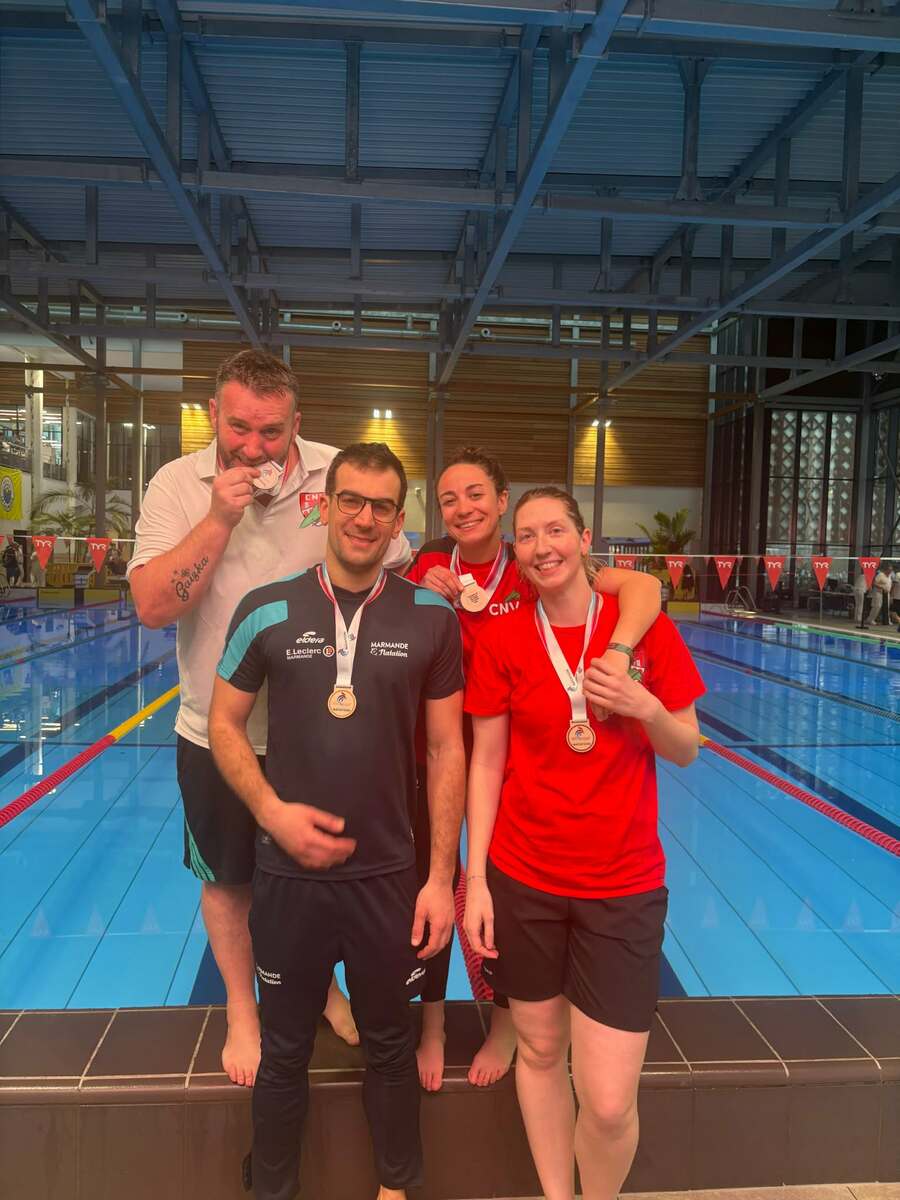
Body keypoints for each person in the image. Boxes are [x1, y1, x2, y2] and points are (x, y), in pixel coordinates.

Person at [127, 350, 411, 1088]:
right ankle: (240, 1009)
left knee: (317, 876)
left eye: (272, 432)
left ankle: (323, 990)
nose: (254, 447)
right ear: (213, 415)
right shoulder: (176, 485)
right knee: (229, 880)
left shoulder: (331, 475)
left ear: (297, 423)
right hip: (215, 731)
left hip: (319, 736)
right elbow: (153, 606)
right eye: (239, 428)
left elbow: (391, 555)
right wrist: (219, 518)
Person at [208, 442, 465, 1200]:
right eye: (351, 499)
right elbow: (223, 724)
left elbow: (447, 749)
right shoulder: (267, 608)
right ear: (325, 505)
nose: (364, 518)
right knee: (285, 1050)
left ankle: (397, 1189)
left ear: (398, 519)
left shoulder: (431, 617)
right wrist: (271, 811)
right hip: (289, 876)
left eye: (382, 506)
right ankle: (272, 1191)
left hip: (388, 877)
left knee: (389, 1045)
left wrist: (439, 879)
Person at [464, 486, 704, 1200]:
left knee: (607, 1102)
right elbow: (486, 762)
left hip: (622, 888)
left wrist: (644, 706)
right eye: (528, 536)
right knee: (540, 1050)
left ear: (583, 537)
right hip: (523, 879)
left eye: (556, 530)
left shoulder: (644, 633)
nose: (543, 547)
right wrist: (476, 879)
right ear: (517, 552)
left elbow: (686, 747)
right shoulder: (504, 639)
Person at [406, 448, 663, 1092]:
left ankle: (504, 1023)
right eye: (448, 499)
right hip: (438, 751)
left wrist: (619, 652)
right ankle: (432, 1023)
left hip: (506, 756)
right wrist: (418, 591)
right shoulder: (427, 564)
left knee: (501, 894)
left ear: (501, 502)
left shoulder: (533, 561)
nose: (462, 508)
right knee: (433, 882)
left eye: (475, 494)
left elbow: (643, 588)